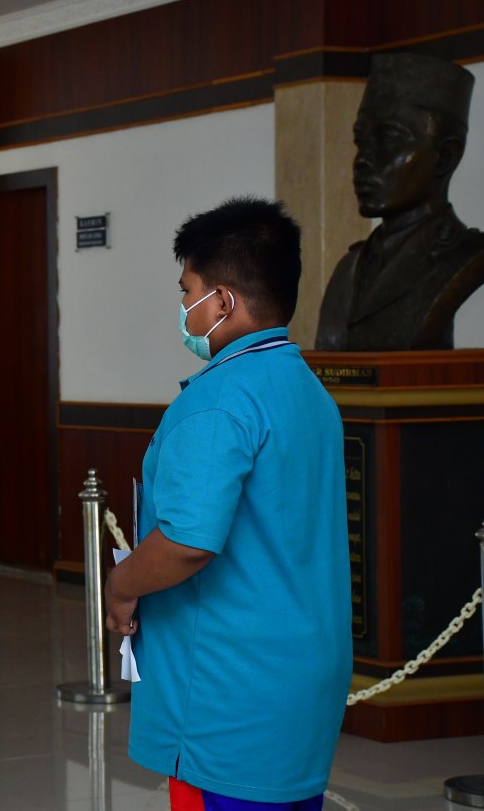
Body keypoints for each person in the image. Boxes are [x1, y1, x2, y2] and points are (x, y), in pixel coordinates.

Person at [105, 197, 351, 809]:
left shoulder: (218, 402)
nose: (185, 307)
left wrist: (121, 584)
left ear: (221, 302)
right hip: (300, 680)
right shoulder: (306, 389)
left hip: (226, 692)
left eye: (188, 291)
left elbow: (188, 541)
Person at [315, 52, 484, 351]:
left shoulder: (469, 256)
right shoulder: (348, 269)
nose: (362, 160)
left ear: (444, 157)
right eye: (361, 142)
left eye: (389, 139)